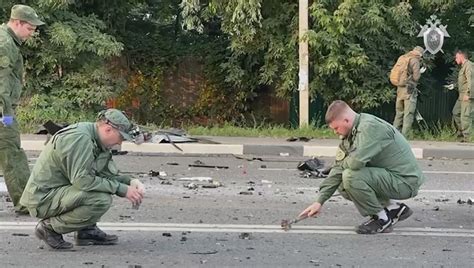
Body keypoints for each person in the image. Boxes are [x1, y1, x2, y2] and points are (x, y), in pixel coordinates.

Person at [20, 109, 145, 250]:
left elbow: (105, 175)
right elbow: (82, 181)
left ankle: (86, 231)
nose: (119, 143)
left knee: (101, 187)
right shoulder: (80, 138)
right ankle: (49, 228)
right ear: (108, 129)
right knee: (100, 199)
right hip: (43, 199)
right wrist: (121, 189)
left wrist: (130, 182)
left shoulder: (97, 140)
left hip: (59, 192)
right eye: (120, 137)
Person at [299, 100, 425, 234]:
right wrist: (319, 201)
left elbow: (355, 163)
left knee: (350, 176)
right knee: (342, 180)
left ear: (346, 120)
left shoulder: (369, 128)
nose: (335, 132)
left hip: (405, 181)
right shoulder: (350, 134)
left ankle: (381, 219)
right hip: (389, 176)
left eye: (336, 128)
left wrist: (342, 164)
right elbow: (338, 168)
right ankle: (393, 208)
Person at [0, 5, 45, 214]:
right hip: (3, 113)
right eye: (30, 28)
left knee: (10, 151)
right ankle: (25, 202)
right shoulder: (4, 43)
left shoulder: (6, 40)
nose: (32, 33)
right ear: (17, 22)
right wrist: (3, 114)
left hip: (5, 109)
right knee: (11, 151)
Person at [392, 46, 425, 137]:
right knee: (408, 114)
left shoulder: (403, 57)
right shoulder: (415, 60)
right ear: (420, 54)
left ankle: (394, 136)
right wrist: (420, 72)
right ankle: (405, 137)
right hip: (409, 90)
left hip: (400, 89)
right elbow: (416, 77)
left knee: (399, 113)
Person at [451, 50, 473, 142]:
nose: (455, 60)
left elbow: (471, 81)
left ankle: (467, 137)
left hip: (467, 96)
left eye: (456, 57)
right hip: (461, 96)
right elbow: (463, 81)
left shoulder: (469, 65)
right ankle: (461, 133)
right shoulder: (463, 66)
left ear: (461, 56)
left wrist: (469, 94)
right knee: (456, 112)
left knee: (466, 116)